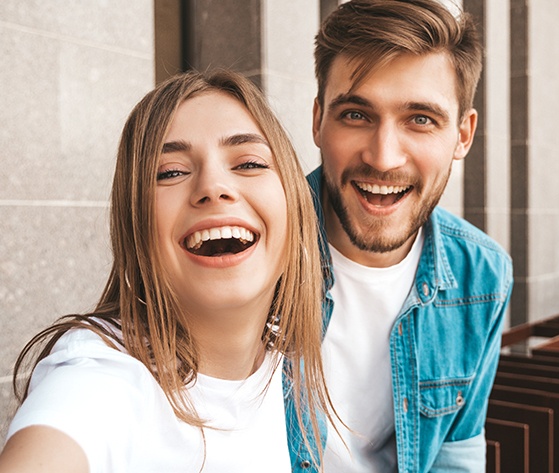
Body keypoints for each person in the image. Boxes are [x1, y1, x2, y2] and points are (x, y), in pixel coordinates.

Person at [0, 70, 335, 472]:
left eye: (248, 163)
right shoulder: (103, 374)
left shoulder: (290, 364)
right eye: (171, 172)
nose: (213, 185)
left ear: (296, 205)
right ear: (135, 225)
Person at [305, 0, 514, 472]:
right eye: (357, 114)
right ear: (318, 120)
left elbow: (455, 460)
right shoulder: (248, 252)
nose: (383, 157)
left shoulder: (481, 276)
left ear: (463, 134)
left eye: (420, 119)